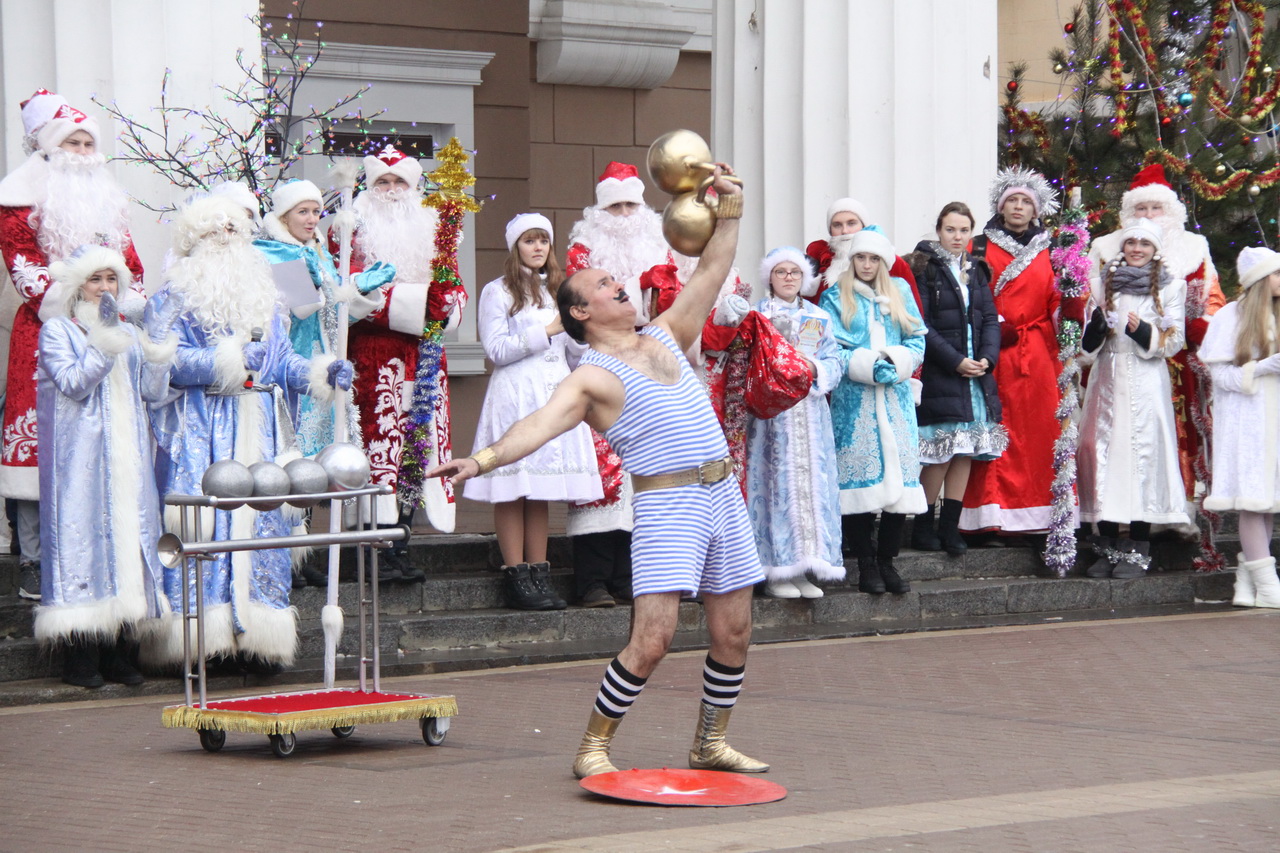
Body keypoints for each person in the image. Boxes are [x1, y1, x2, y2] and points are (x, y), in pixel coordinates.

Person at [428, 167, 770, 779]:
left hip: (723, 494)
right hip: (669, 505)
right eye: (606, 284)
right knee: (654, 639)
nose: (621, 286)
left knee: (735, 633)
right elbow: (536, 426)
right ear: (581, 310)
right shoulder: (590, 377)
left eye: (617, 279)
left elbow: (713, 269)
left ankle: (709, 742)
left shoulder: (667, 332)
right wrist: (477, 460)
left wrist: (734, 208)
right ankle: (593, 745)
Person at [140, 195, 354, 671]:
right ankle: (204, 642)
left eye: (234, 231)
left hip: (261, 428)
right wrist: (225, 362)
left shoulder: (264, 294)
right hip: (204, 428)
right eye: (215, 233)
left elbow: (281, 362)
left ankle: (260, 636)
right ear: (194, 242)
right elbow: (160, 368)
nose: (226, 240)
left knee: (265, 525)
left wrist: (320, 371)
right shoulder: (172, 298)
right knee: (206, 527)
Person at [0, 89, 146, 601]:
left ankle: (102, 558)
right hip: (45, 334)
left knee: (103, 448)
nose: (83, 152)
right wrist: (79, 302)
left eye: (89, 143)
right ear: (47, 149)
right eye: (73, 143)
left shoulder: (109, 200)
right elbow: (25, 271)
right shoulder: (18, 200)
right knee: (38, 451)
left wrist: (125, 304)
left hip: (108, 331)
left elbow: (134, 268)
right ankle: (35, 564)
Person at [34, 246, 177, 687]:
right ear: (80, 286)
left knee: (130, 547)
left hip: (129, 461)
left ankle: (120, 653)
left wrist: (157, 341)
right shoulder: (59, 330)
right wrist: (104, 342)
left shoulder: (129, 332)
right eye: (95, 280)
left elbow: (153, 394)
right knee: (85, 550)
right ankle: (80, 660)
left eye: (111, 279)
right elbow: (74, 384)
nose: (104, 288)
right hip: (82, 465)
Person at [331, 145, 466, 581]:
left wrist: (447, 305)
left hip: (425, 356)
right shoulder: (348, 231)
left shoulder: (435, 232)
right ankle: (374, 546)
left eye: (399, 183)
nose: (390, 191)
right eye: (381, 183)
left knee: (415, 446)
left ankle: (401, 538)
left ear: (414, 187)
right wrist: (419, 302)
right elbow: (348, 294)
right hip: (373, 357)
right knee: (378, 449)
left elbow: (453, 288)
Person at [465, 214, 601, 611]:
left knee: (539, 488)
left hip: (554, 392)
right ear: (515, 246)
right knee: (513, 485)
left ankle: (539, 574)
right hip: (515, 393)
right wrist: (548, 330)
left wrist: (577, 334)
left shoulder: (561, 289)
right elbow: (496, 350)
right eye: (529, 240)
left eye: (544, 240)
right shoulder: (498, 290)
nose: (538, 247)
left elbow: (575, 354)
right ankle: (515, 575)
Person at [1088, 165, 1227, 520]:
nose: (1149, 215)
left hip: (1175, 361)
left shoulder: (1194, 248)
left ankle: (1165, 516)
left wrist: (1203, 327)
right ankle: (1112, 520)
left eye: (1156, 208)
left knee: (1159, 443)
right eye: (1141, 208)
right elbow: (1088, 310)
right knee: (1111, 442)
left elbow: (1212, 297)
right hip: (1112, 367)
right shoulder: (1105, 250)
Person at [564, 162, 673, 607]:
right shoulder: (582, 252)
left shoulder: (663, 246)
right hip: (599, 364)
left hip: (652, 364)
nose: (625, 215)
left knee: (645, 471)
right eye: (615, 206)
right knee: (602, 477)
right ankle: (591, 579)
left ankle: (632, 576)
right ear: (599, 211)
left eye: (632, 204)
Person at [961, 167, 1079, 536]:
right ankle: (990, 516)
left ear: (1036, 210)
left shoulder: (1056, 251)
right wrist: (992, 324)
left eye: (1025, 202)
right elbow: (963, 293)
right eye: (1011, 200)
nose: (1017, 207)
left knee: (1040, 429)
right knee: (994, 430)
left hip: (1039, 353)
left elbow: (1059, 302)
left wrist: (1073, 308)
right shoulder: (977, 246)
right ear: (1000, 206)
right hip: (993, 352)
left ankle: (1041, 515)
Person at [1077, 219, 1188, 576]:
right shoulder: (1100, 285)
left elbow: (1174, 341)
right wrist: (1095, 330)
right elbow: (1083, 345)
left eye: (1144, 244)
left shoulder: (1171, 287)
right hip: (1107, 378)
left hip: (1145, 381)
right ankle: (1106, 545)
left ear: (1155, 250)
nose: (1136, 249)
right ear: (1122, 247)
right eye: (1131, 243)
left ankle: (1138, 548)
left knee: (1143, 458)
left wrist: (1144, 332)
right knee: (1102, 456)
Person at [821, 227, 927, 595]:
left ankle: (888, 561)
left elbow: (916, 340)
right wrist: (867, 364)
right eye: (861, 258)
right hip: (856, 402)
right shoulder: (836, 295)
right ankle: (866, 564)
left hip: (896, 401)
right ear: (852, 261)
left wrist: (897, 363)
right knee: (858, 484)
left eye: (873, 258)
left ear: (884, 261)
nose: (867, 265)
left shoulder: (899, 292)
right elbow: (830, 346)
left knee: (900, 487)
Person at [256, 178, 386, 455]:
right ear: (283, 216)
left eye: (316, 211)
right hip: (295, 360)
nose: (312, 219)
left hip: (327, 357)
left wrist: (358, 290)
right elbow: (302, 308)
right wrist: (315, 285)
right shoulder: (273, 251)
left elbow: (337, 319)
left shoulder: (319, 252)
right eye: (303, 211)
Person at [907, 202, 1006, 555]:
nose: (957, 236)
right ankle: (922, 526)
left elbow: (991, 319)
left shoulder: (976, 270)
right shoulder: (924, 269)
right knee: (940, 453)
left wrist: (987, 359)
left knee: (965, 451)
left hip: (975, 378)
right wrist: (955, 361)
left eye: (964, 230)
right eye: (951, 229)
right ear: (939, 230)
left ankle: (949, 528)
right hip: (943, 374)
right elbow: (921, 325)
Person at [747, 247, 844, 598]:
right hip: (773, 415)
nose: (789, 278)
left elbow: (834, 359)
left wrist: (812, 367)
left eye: (795, 273)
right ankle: (775, 569)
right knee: (777, 482)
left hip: (809, 410)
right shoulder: (758, 314)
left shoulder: (818, 315)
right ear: (769, 277)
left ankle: (805, 565)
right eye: (781, 272)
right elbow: (745, 357)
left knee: (811, 485)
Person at [1200, 247, 1280, 607]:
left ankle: (1247, 585)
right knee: (1252, 501)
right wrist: (1261, 368)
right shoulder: (1231, 316)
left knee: (1266, 502)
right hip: (1247, 423)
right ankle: (1268, 583)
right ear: (1261, 280)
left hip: (1274, 422)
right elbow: (1220, 376)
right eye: (1276, 274)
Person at [804, 197, 922, 309]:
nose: (845, 231)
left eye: (851, 223)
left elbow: (912, 309)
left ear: (864, 226)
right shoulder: (822, 263)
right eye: (837, 225)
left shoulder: (891, 261)